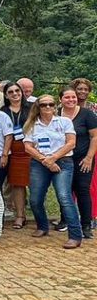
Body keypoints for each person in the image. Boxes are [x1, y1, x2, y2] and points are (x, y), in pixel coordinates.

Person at [23, 94, 81, 247]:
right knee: (35, 199)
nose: (48, 107)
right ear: (38, 107)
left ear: (55, 106)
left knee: (64, 197)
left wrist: (53, 158)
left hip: (63, 161)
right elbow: (28, 147)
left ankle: (75, 235)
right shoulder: (32, 124)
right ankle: (42, 226)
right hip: (39, 162)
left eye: (51, 104)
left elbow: (71, 143)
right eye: (44, 105)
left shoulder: (64, 121)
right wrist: (45, 161)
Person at [59, 85, 97, 239]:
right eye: (67, 97)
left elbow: (95, 137)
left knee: (82, 189)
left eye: (73, 97)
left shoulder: (87, 114)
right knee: (64, 190)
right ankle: (65, 221)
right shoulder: (55, 114)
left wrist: (89, 158)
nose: (71, 100)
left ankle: (86, 225)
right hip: (62, 159)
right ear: (60, 99)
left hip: (83, 159)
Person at [0, 81, 30, 229]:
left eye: (17, 91)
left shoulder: (31, 109)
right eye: (10, 92)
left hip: (31, 149)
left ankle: (38, 215)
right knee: (17, 184)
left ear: (22, 92)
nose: (15, 94)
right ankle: (20, 215)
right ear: (6, 95)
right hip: (13, 150)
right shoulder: (2, 111)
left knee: (36, 184)